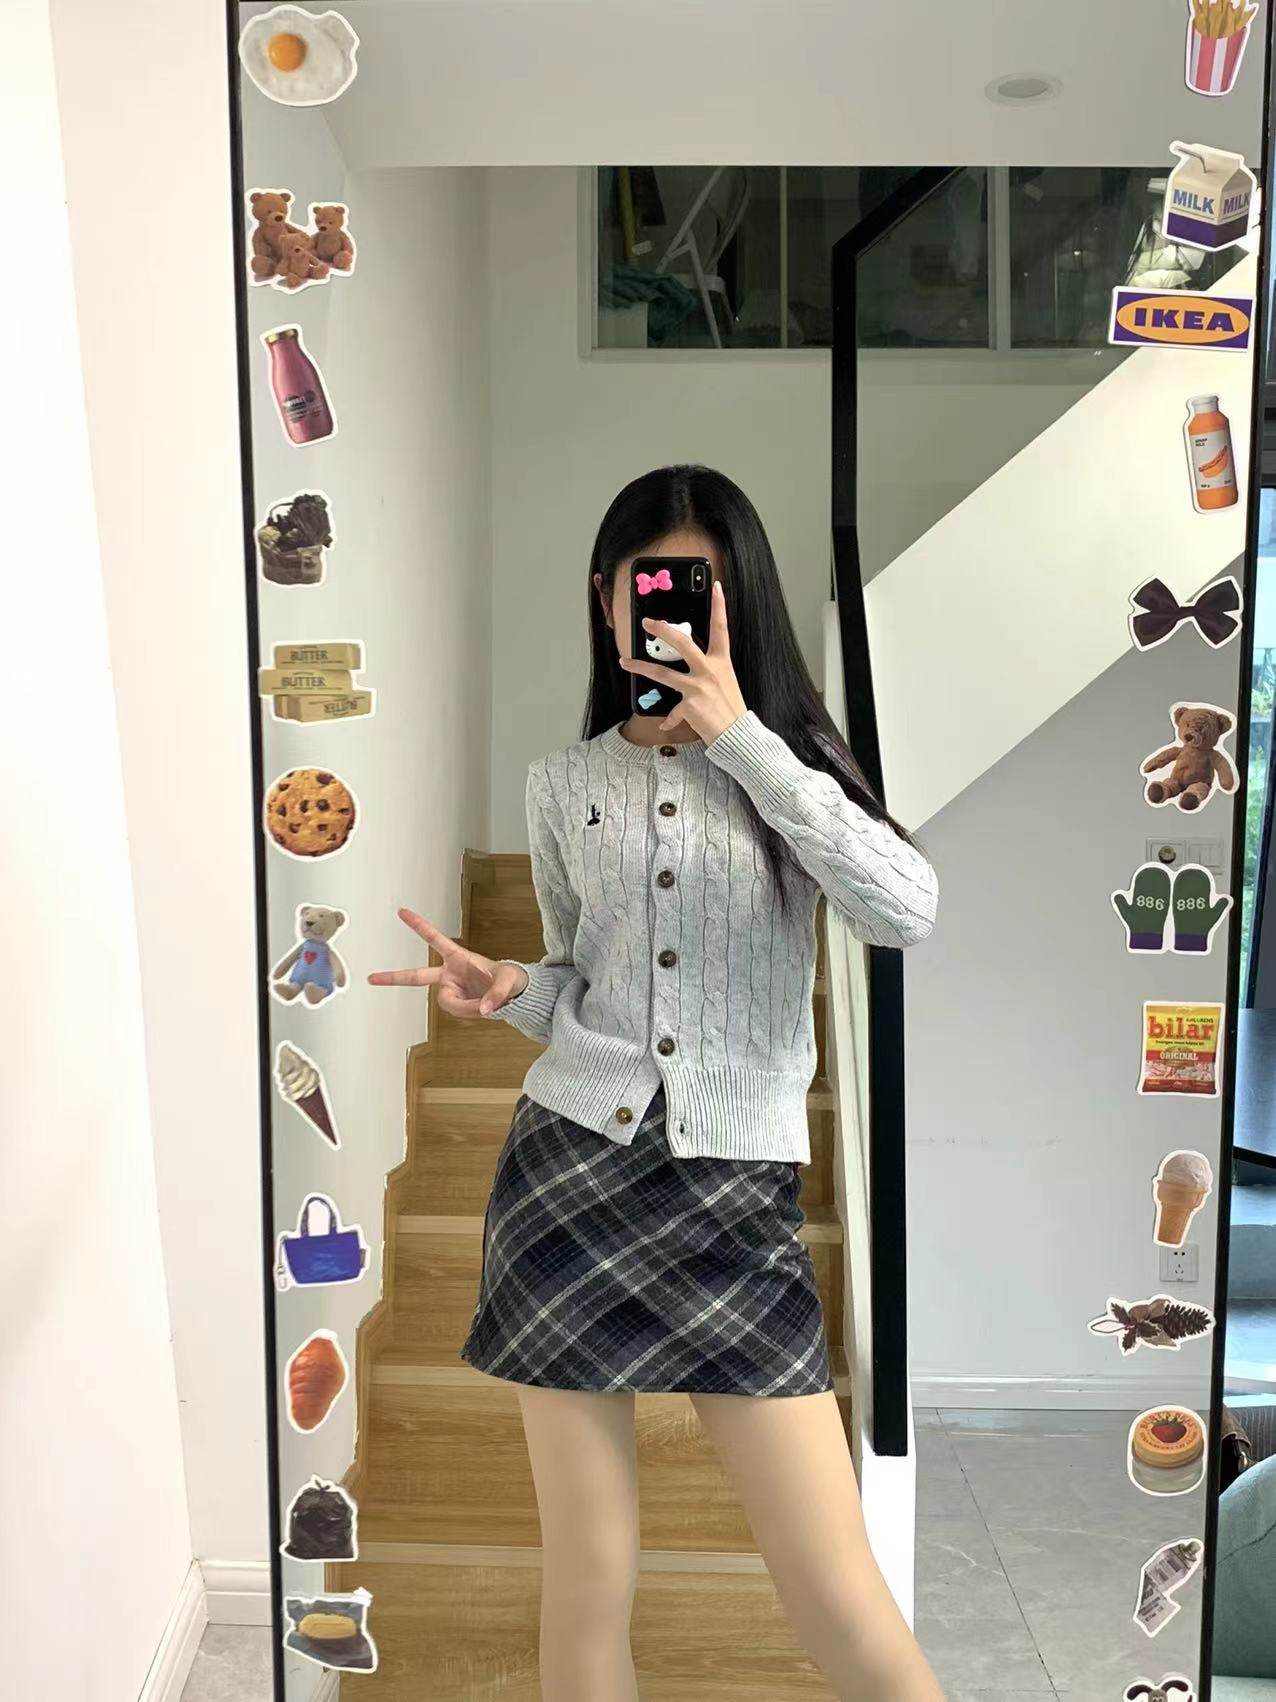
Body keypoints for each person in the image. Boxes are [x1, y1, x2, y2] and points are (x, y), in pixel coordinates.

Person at [370, 465, 942, 1701]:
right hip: (568, 1185)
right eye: (654, 588)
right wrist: (509, 989)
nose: (678, 613)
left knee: (834, 1589)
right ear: (606, 599)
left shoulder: (792, 768)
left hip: (736, 1205)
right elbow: (584, 982)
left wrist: (742, 738)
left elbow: (904, 909)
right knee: (589, 1570)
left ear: (743, 604)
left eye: (705, 589)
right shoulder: (564, 782)